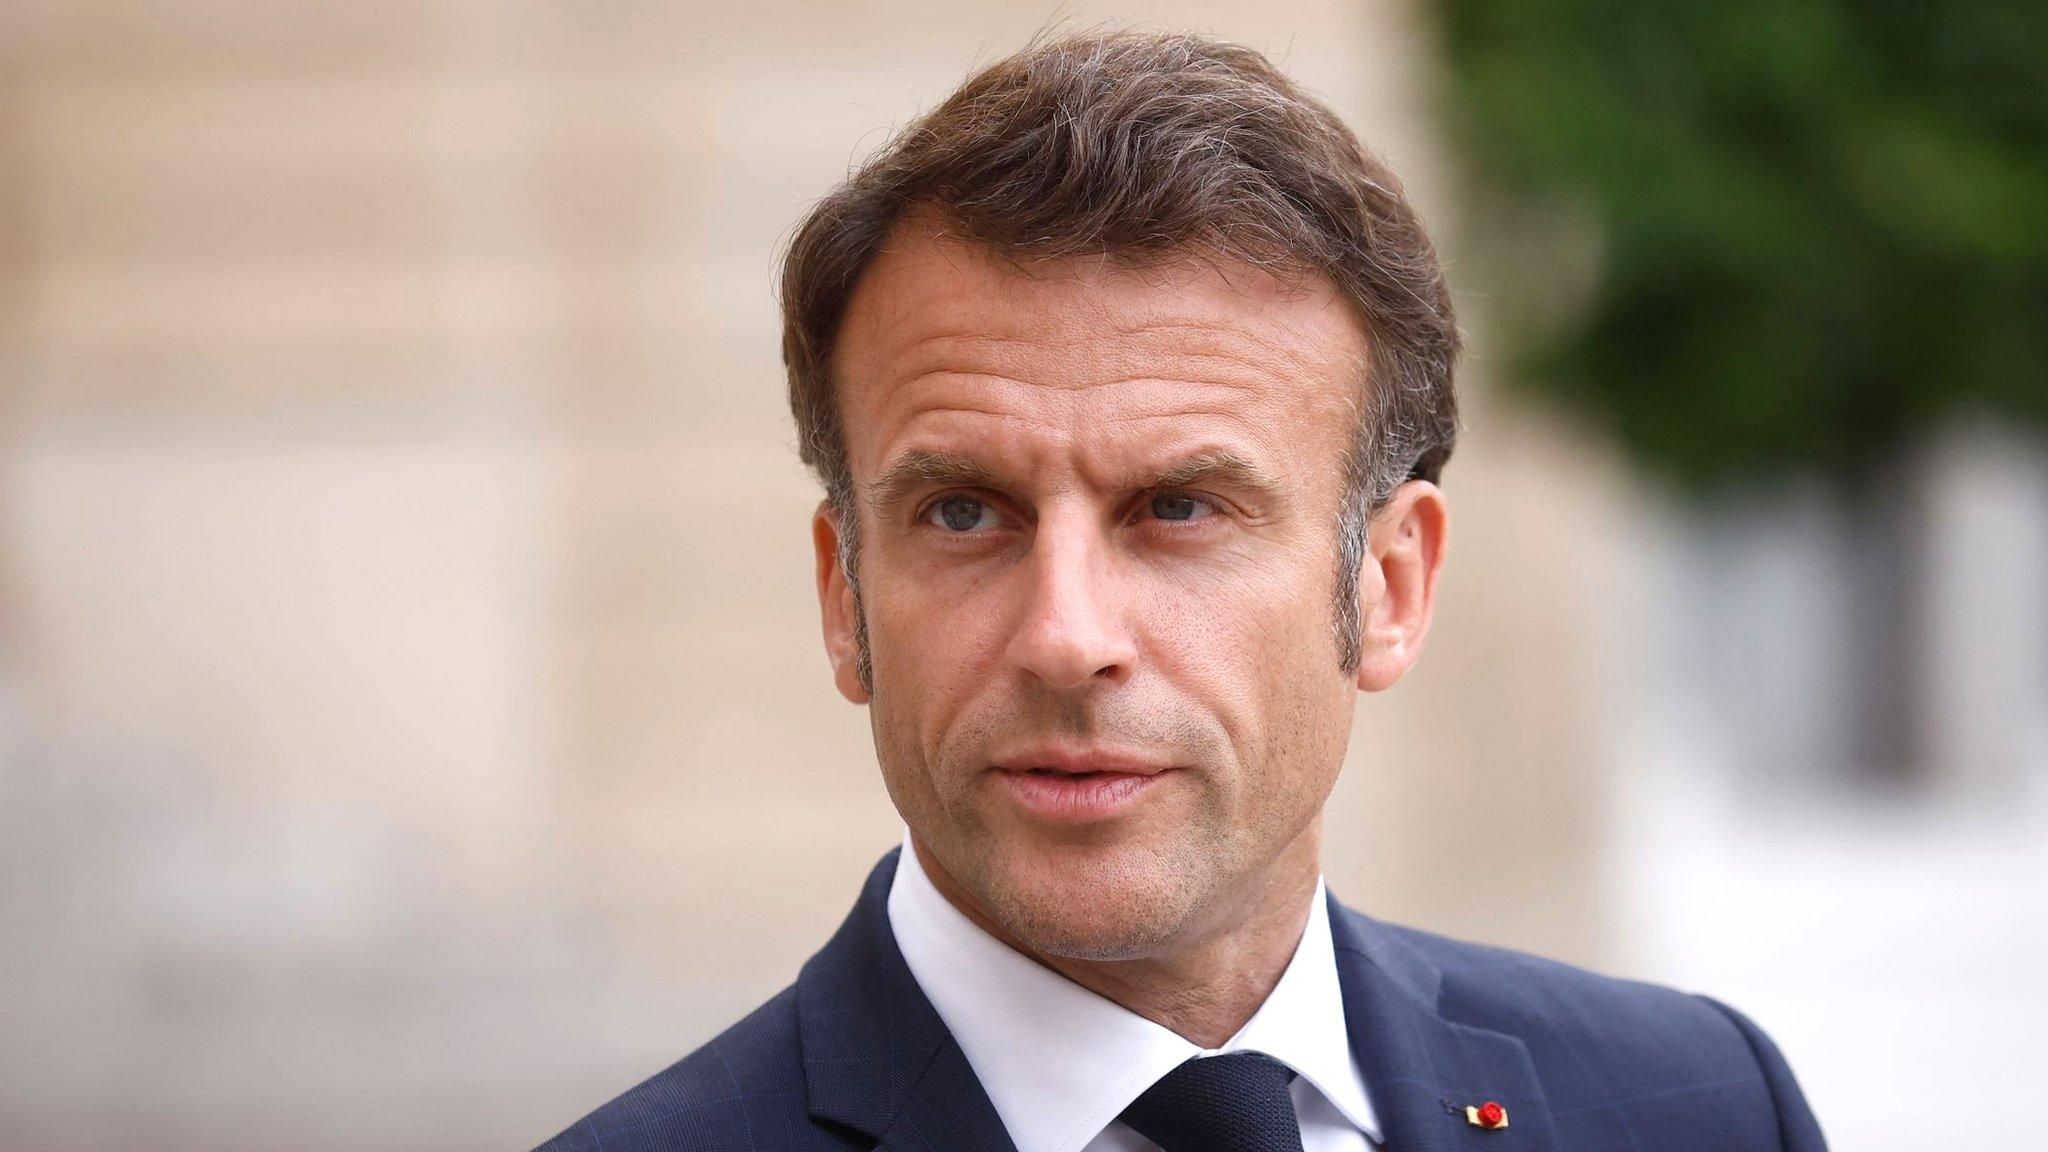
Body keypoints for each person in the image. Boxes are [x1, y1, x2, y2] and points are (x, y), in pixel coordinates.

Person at [535, 31, 1826, 1152]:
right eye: (965, 512)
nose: (1066, 636)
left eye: (1180, 509)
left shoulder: (1699, 1107)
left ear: (1388, 584)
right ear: (845, 596)